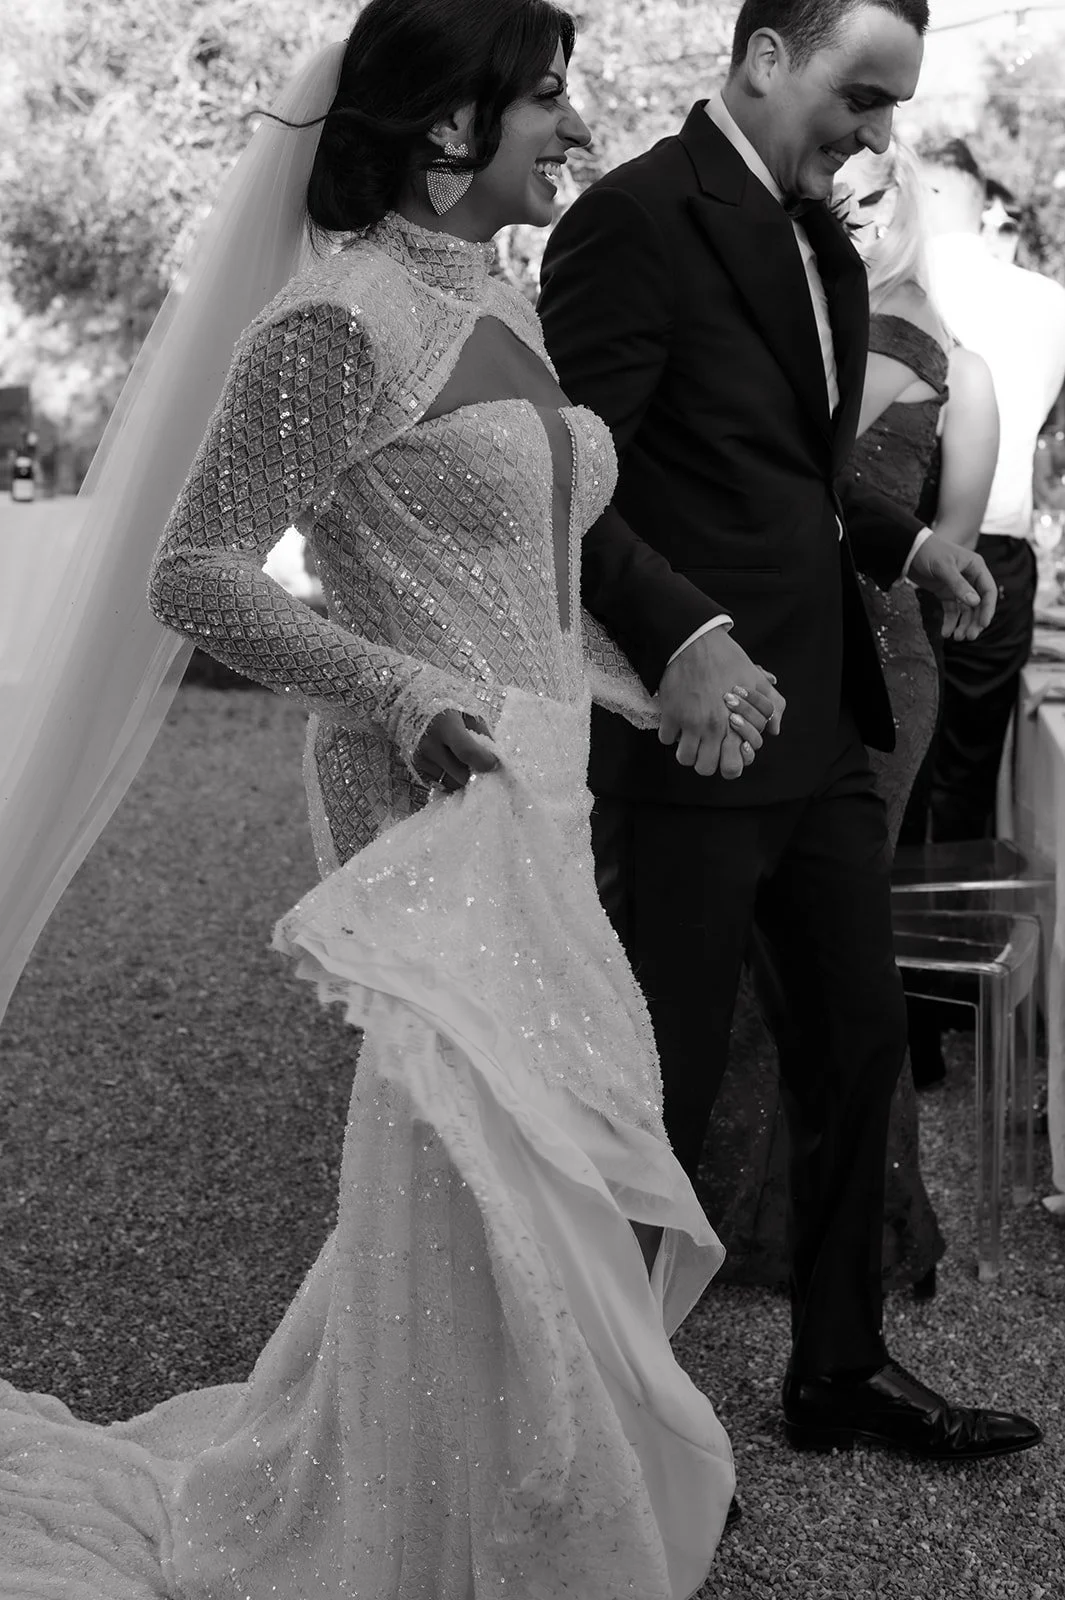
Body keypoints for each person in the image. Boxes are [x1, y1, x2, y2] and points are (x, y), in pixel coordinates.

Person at [0, 4, 749, 1595]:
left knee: (531, 1158)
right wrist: (405, 693)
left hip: (538, 790)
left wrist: (648, 688)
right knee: (469, 1152)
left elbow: (521, 568)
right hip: (422, 798)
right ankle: (432, 1515)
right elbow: (195, 571)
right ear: (446, 129)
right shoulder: (335, 324)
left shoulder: (495, 293)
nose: (576, 126)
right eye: (548, 98)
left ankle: (506, 1478)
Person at [538, 0, 1039, 1458]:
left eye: (893, 105)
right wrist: (682, 639)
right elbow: (573, 481)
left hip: (822, 730)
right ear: (766, 56)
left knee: (857, 1049)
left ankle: (836, 1369)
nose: (877, 133)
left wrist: (903, 543)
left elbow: (784, 473)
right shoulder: (635, 220)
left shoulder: (820, 239)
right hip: (690, 737)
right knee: (662, 1090)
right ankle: (610, 1426)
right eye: (861, 94)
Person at [699, 136, 1000, 1293]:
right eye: (839, 197)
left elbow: (939, 550)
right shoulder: (837, 328)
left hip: (877, 673)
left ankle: (838, 1219)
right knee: (771, 937)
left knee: (821, 943)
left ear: (908, 203)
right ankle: (757, 1204)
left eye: (879, 197)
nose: (858, 215)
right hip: (786, 652)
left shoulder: (920, 351)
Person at [921, 135, 1065, 843]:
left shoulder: (891, 282)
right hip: (1000, 564)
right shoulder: (1049, 302)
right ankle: (946, 932)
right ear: (983, 210)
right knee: (965, 777)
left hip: (896, 551)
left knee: (883, 767)